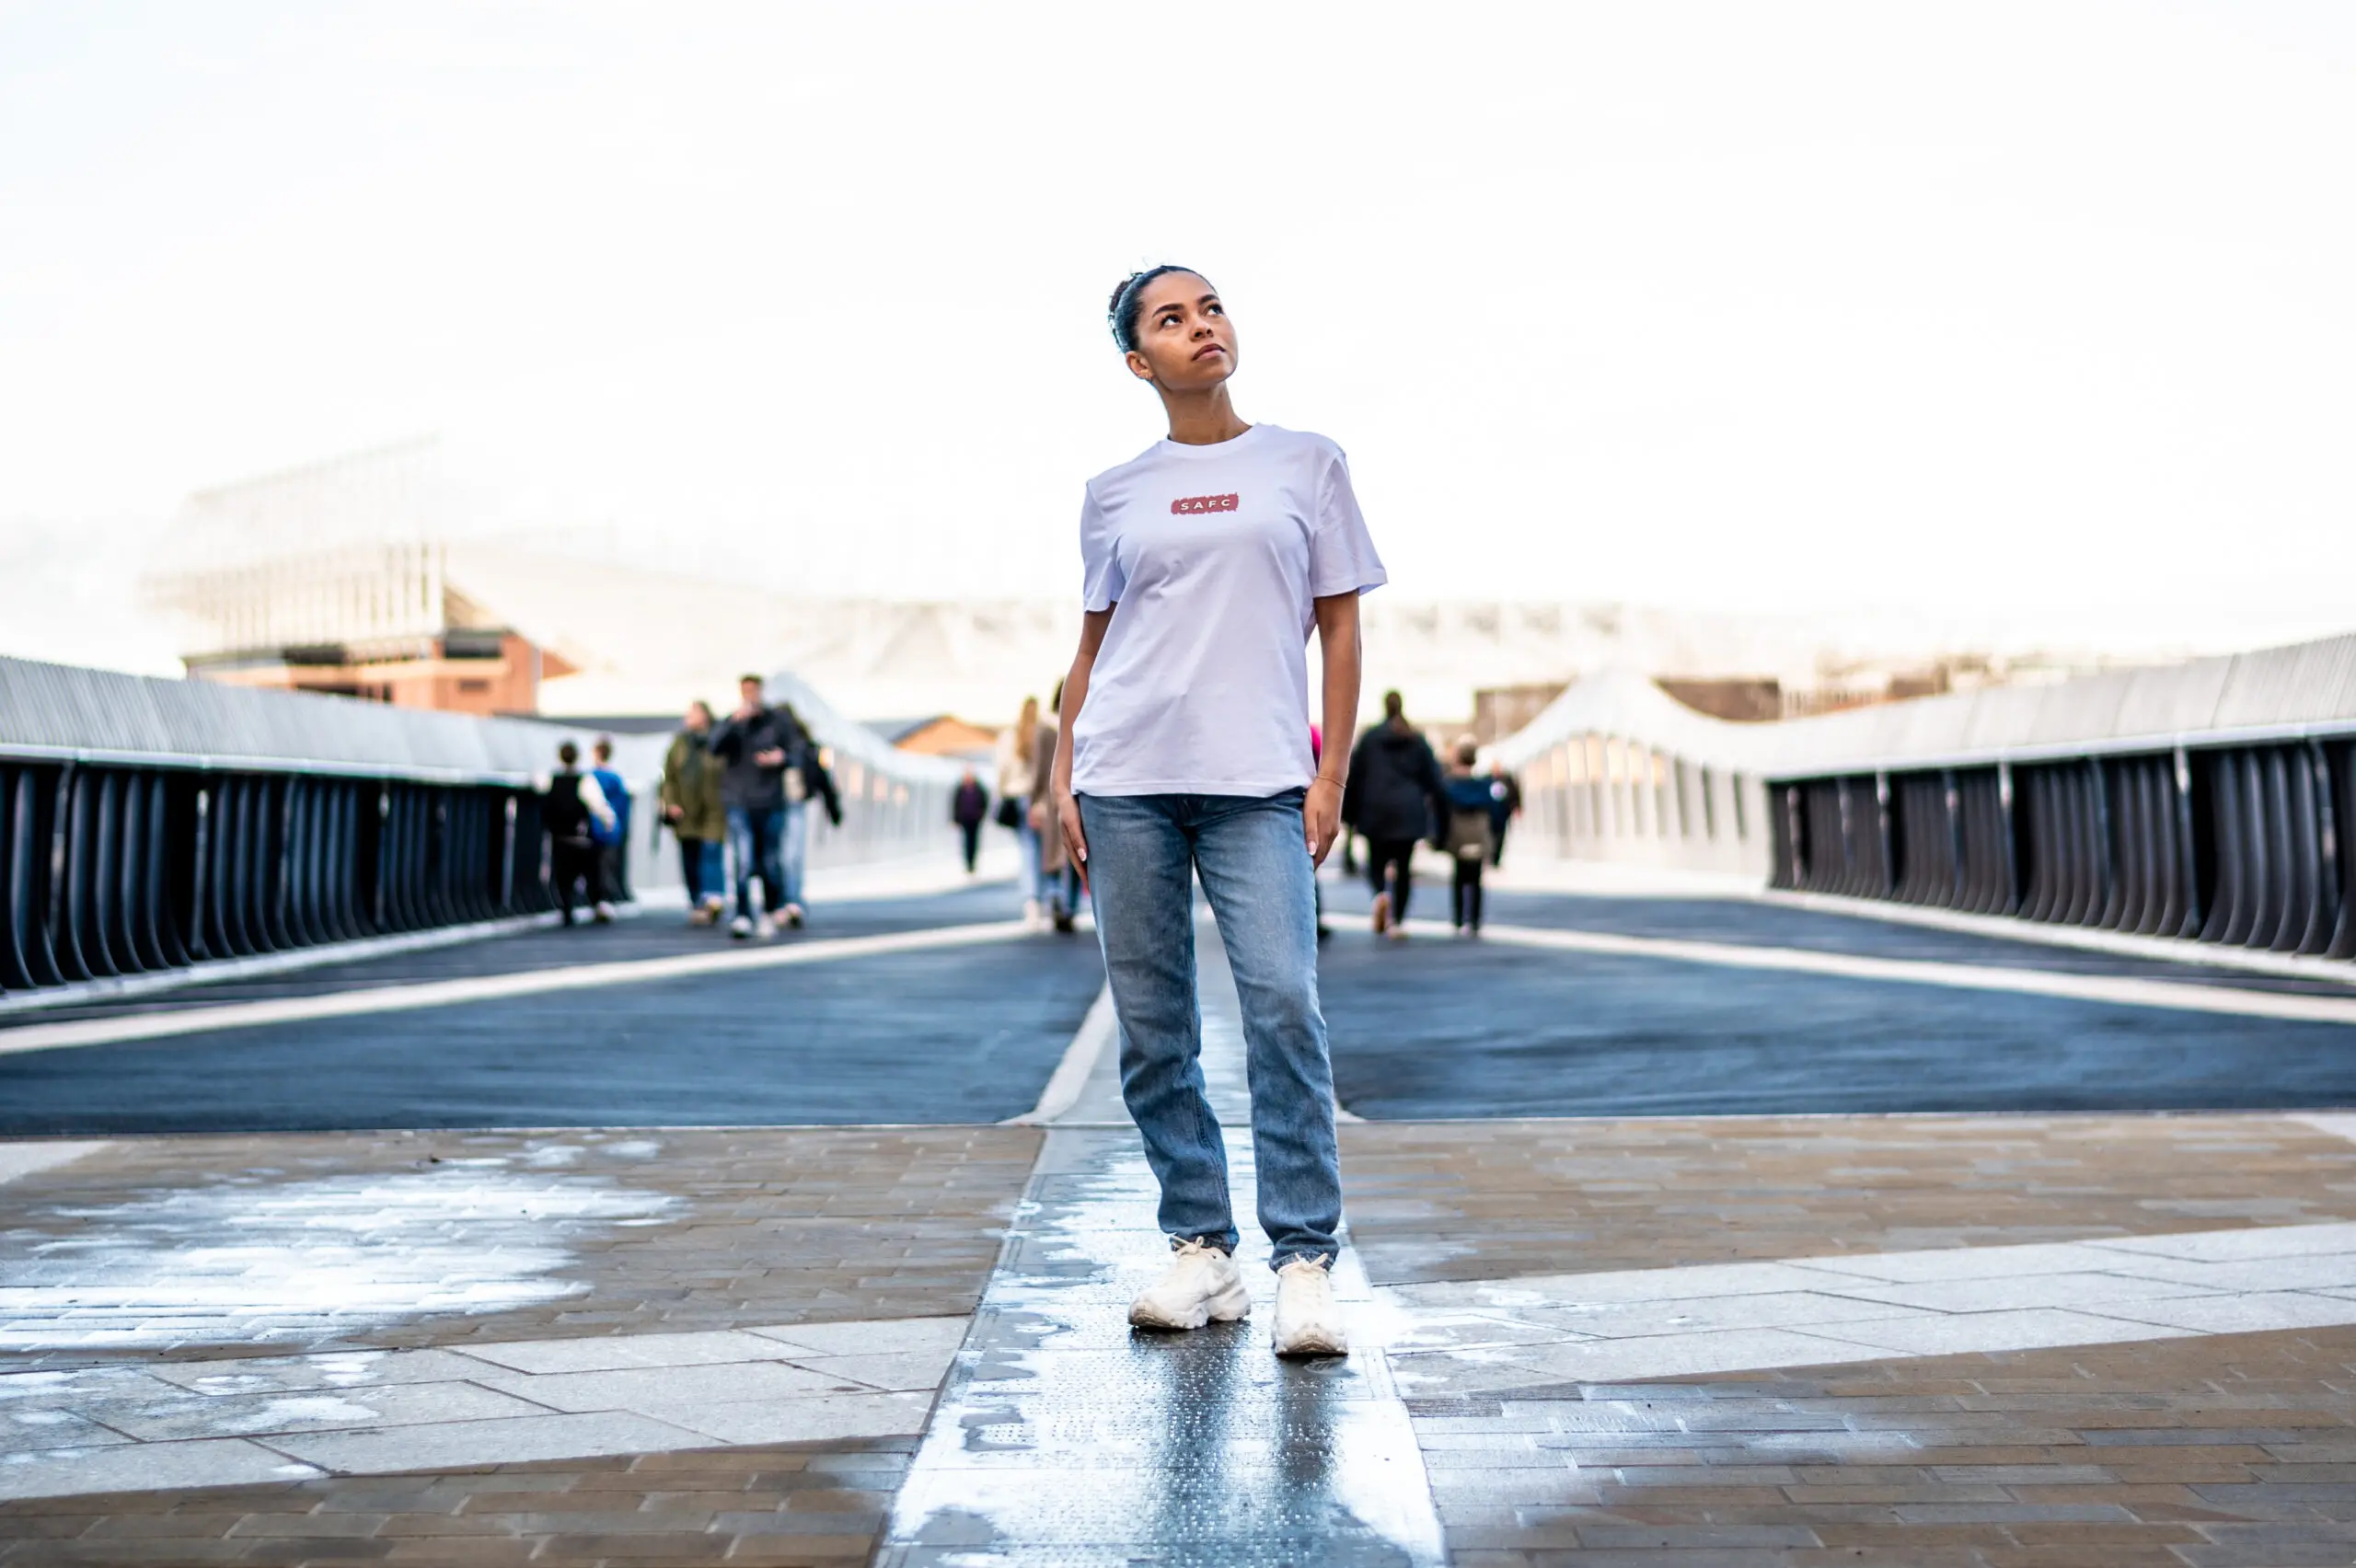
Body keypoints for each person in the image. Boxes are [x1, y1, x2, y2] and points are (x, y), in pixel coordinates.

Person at [1050, 265, 1384, 1358]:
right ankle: (1202, 1248)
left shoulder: (1306, 463)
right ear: (1137, 361)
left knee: (1283, 1006)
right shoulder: (1114, 492)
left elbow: (1341, 629)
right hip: (1124, 777)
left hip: (1258, 782)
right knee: (1155, 1030)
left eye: (1211, 308)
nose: (1202, 326)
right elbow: (1094, 648)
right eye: (1171, 318)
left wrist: (1330, 775)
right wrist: (1061, 773)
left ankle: (1305, 1260)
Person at [1342, 690, 1444, 939]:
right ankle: (1397, 920)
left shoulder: (1370, 739)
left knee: (1376, 861)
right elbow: (1433, 779)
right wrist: (1438, 816)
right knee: (1404, 868)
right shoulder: (1416, 738)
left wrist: (1349, 815)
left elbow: (1354, 776)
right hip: (1408, 811)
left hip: (1375, 808)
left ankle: (1380, 894)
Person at [709, 674, 795, 939]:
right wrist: (734, 723)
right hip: (739, 800)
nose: (750, 696)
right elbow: (714, 747)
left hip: (770, 801)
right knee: (743, 860)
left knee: (770, 860)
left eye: (753, 691)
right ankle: (743, 913)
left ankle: (769, 910)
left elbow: (798, 751)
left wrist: (781, 758)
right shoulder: (732, 722)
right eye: (745, 691)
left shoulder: (777, 721)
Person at [772, 703, 843, 927]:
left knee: (789, 855)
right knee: (784, 856)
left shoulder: (802, 746)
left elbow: (821, 777)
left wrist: (833, 809)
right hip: (772, 804)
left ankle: (791, 900)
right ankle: (786, 901)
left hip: (791, 803)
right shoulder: (777, 743)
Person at [661, 701, 728, 925]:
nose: (688, 717)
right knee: (690, 857)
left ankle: (714, 897)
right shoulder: (680, 743)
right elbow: (669, 777)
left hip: (714, 807)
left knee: (712, 850)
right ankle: (697, 901)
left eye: (693, 713)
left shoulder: (718, 739)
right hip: (685, 810)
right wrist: (670, 803)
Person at [1030, 679, 1084, 934]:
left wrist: (1034, 801)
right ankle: (1069, 906)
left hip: (1050, 798)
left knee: (1050, 854)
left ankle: (1054, 896)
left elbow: (1039, 770)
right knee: (1075, 852)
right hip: (1076, 796)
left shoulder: (1044, 729)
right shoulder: (1080, 722)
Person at [545, 740, 616, 927]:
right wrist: (608, 822)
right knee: (590, 871)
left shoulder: (551, 779)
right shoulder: (584, 780)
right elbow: (598, 804)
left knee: (563, 876)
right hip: (581, 837)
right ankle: (596, 904)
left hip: (559, 836)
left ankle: (566, 908)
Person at [1439, 737, 1497, 934]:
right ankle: (1475, 920)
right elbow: (1495, 808)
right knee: (1476, 877)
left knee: (1459, 876)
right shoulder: (1483, 784)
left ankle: (1458, 918)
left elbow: (1442, 810)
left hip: (1458, 833)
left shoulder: (1449, 784)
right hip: (1478, 833)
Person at [997, 697, 1045, 927]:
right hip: (1038, 800)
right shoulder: (1042, 734)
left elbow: (1002, 768)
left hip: (1017, 798)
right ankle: (1046, 896)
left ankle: (1031, 902)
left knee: (1027, 852)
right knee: (1042, 852)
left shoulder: (1010, 736)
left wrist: (1001, 792)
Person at [587, 737, 630, 922]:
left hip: (592, 829)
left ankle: (595, 901)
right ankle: (606, 901)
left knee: (593, 867)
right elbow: (623, 807)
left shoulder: (590, 777)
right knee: (608, 867)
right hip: (612, 829)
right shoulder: (616, 779)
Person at [952, 768, 989, 873]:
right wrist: (955, 818)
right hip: (965, 819)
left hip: (975, 819)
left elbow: (984, 802)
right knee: (966, 841)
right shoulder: (960, 789)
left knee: (974, 841)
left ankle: (973, 863)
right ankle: (968, 863)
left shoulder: (979, 789)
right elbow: (956, 804)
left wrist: (981, 814)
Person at [1486, 759, 1522, 869]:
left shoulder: (1507, 779)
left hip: (1503, 812)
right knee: (1490, 835)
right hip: (1490, 814)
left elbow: (1515, 792)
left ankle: (1496, 858)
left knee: (1501, 835)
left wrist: (1517, 806)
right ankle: (1491, 856)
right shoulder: (1487, 779)